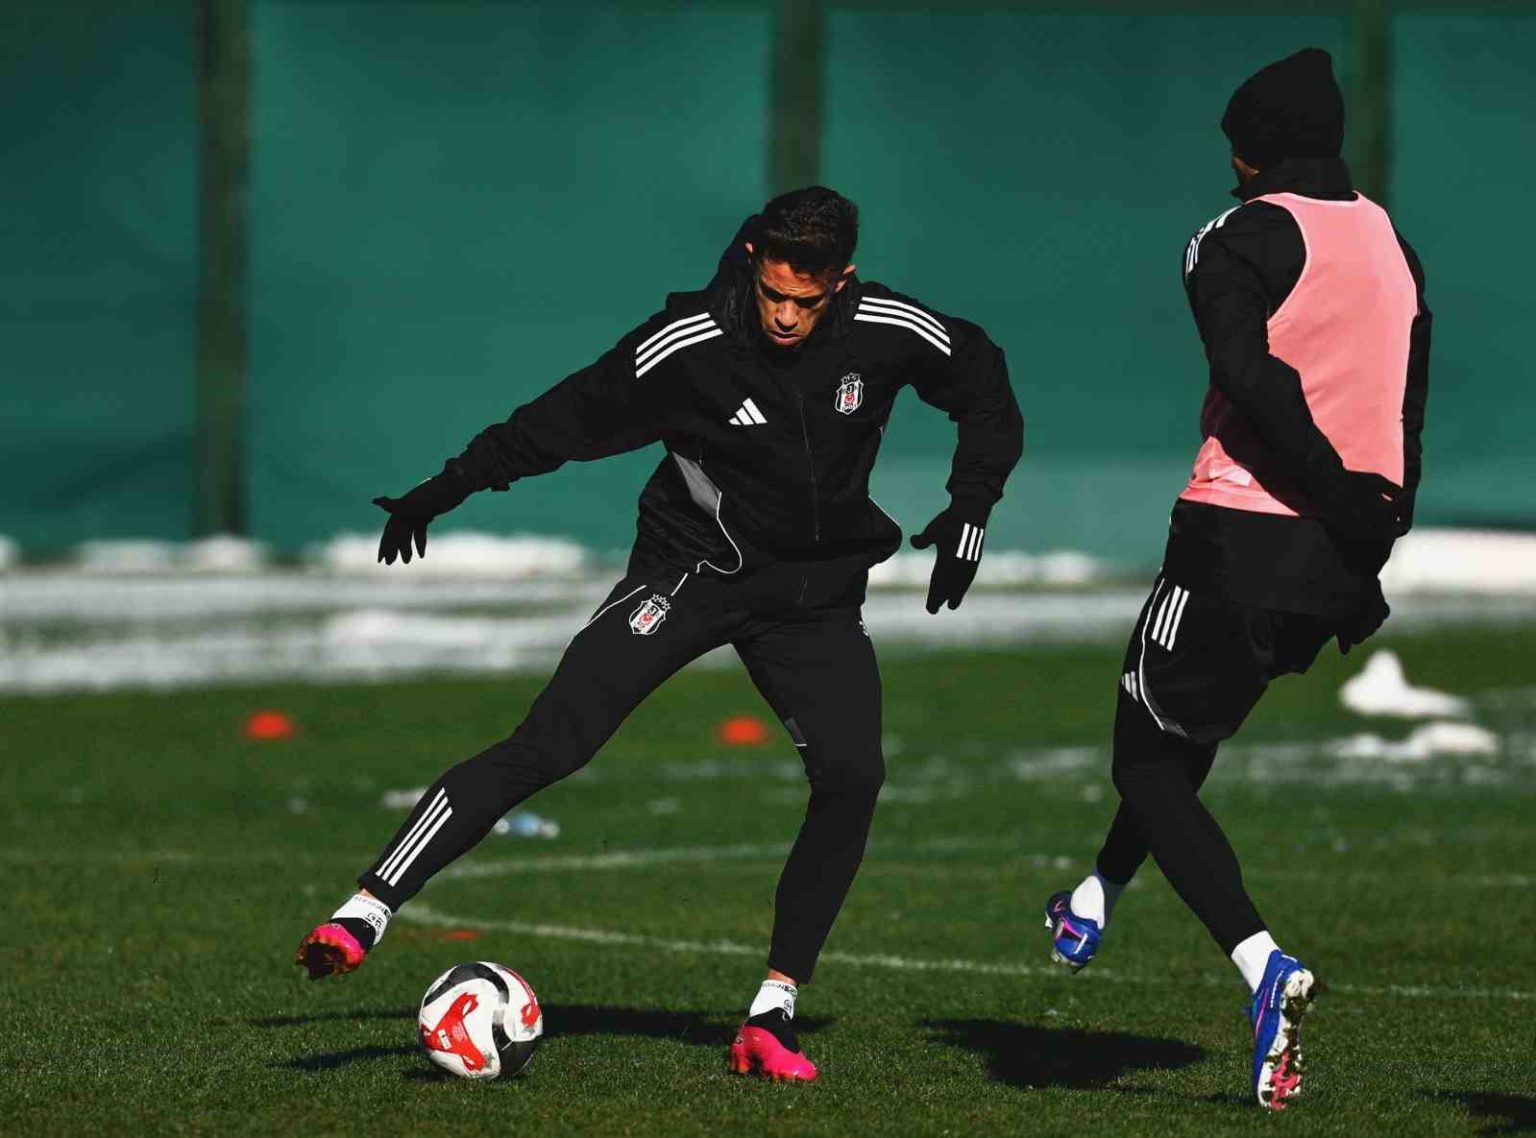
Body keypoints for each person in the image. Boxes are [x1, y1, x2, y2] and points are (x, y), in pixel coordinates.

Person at [294, 186, 1024, 1082]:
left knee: (852, 777)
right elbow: (556, 422)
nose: (786, 317)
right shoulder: (687, 345)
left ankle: (772, 1012)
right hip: (692, 573)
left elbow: (984, 382)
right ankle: (365, 910)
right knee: (553, 742)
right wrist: (443, 490)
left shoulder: (885, 327)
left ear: (842, 282)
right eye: (773, 294)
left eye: (807, 300)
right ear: (753, 260)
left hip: (814, 599)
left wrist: (971, 506)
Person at [1041, 49, 1430, 1111]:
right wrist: (1374, 529)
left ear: (1256, 147)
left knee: (1143, 758)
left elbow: (1247, 375)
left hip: (1238, 537)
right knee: (1184, 737)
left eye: (1235, 147)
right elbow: (1409, 394)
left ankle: (1264, 967)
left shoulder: (1236, 235)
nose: (1229, 164)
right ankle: (1098, 890)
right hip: (1336, 556)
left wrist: (1332, 495)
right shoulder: (1391, 241)